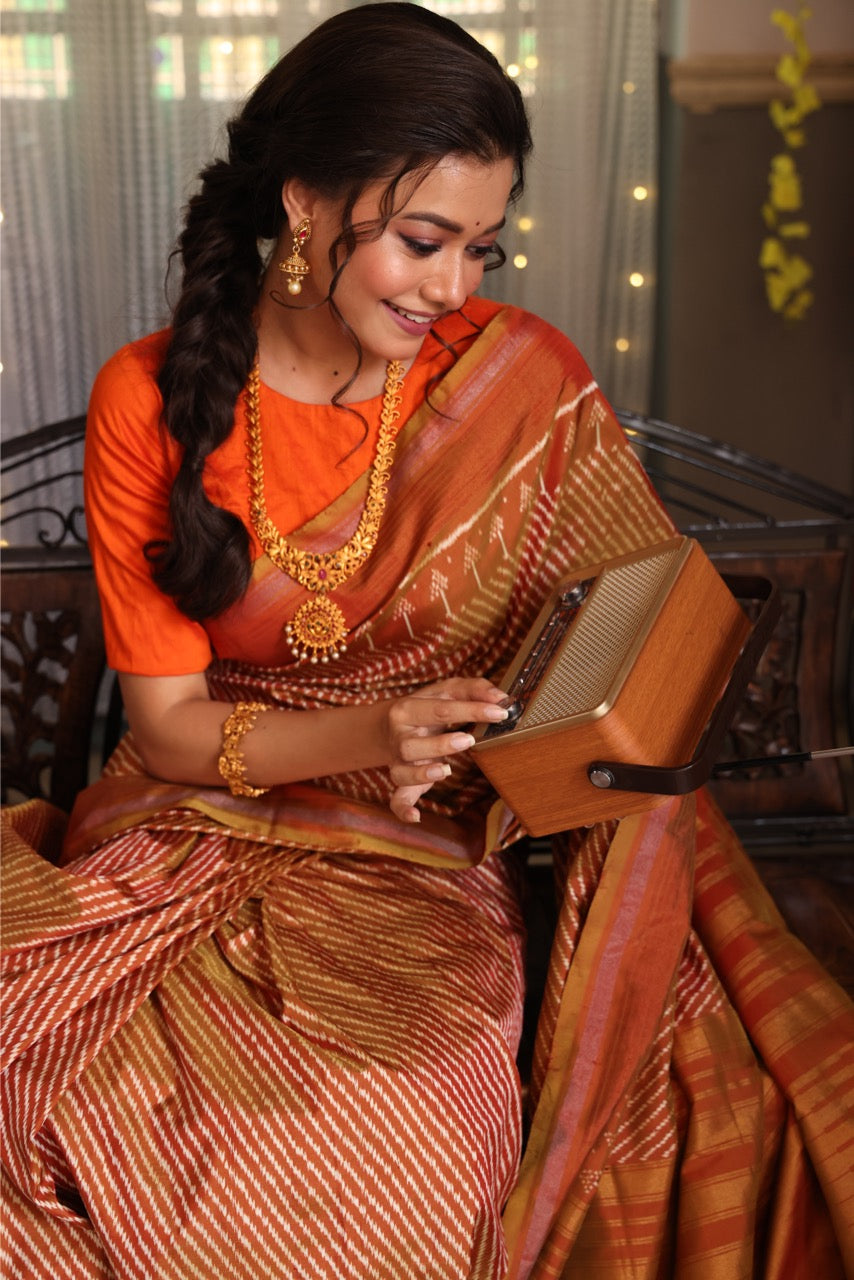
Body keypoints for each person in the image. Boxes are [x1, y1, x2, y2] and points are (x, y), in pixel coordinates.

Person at [2, 5, 852, 1278]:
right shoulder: (152, 396)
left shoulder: (517, 378)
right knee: (76, 1078)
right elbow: (169, 724)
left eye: (481, 249)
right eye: (421, 241)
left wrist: (536, 737)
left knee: (393, 1098)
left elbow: (627, 616)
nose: (454, 288)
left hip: (431, 833)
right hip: (199, 806)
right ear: (301, 205)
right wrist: (364, 730)